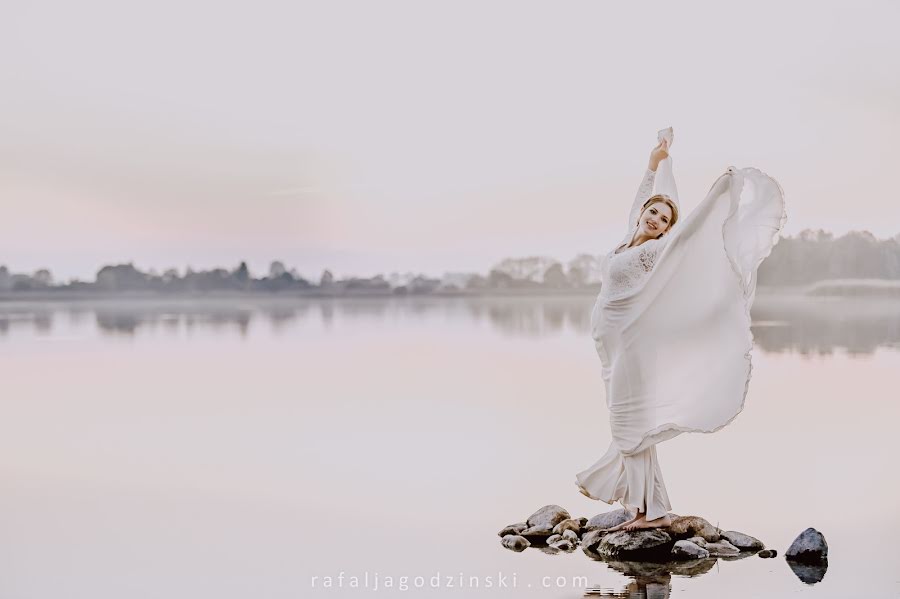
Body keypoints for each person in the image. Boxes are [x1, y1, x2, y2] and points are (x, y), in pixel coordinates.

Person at [575, 130, 787, 532]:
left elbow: (689, 231)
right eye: (652, 213)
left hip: (632, 346)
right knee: (630, 422)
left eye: (663, 220)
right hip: (610, 347)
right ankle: (650, 507)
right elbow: (643, 195)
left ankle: (647, 514)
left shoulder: (652, 252)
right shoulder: (625, 242)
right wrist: (655, 161)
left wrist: (719, 193)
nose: (655, 220)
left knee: (629, 422)